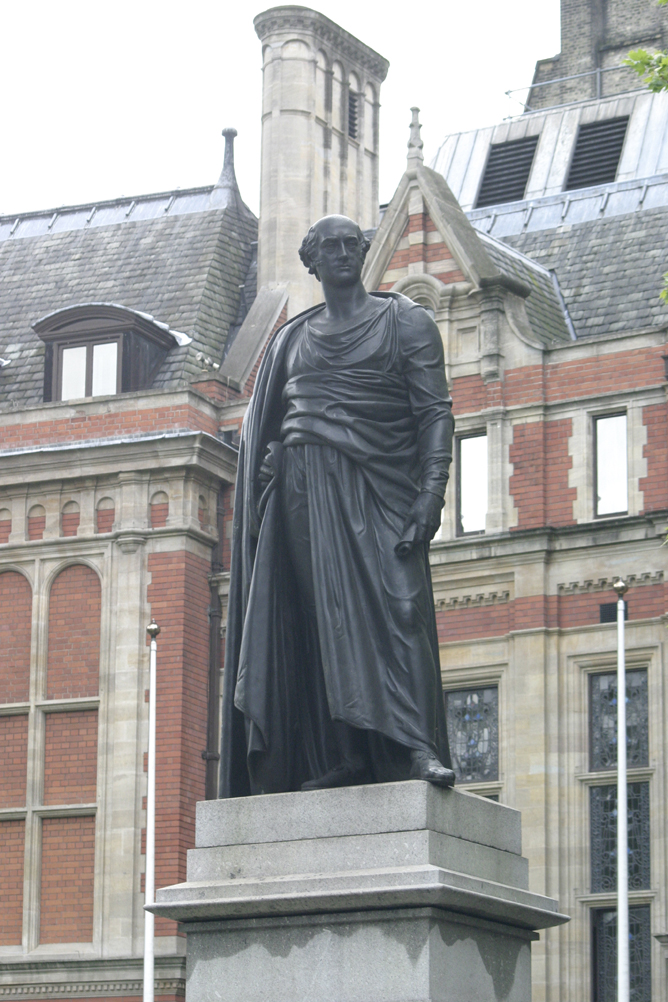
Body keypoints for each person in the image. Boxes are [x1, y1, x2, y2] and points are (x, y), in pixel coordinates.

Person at [220, 214, 456, 797]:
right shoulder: (291, 341)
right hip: (302, 490)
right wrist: (268, 472)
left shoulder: (405, 321)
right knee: (323, 621)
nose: (345, 253)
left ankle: (417, 746)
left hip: (381, 488)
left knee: (399, 611)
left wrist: (432, 493)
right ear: (312, 261)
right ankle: (347, 754)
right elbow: (265, 430)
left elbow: (434, 414)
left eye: (354, 244)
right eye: (332, 246)